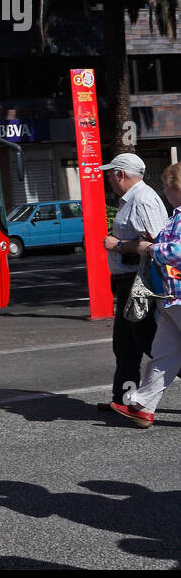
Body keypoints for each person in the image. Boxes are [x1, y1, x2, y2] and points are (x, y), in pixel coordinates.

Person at [99, 153, 170, 411]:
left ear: (121, 174)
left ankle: (127, 400)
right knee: (125, 345)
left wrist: (117, 245)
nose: (108, 179)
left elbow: (156, 245)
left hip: (139, 283)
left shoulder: (142, 200)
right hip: (129, 281)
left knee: (150, 343)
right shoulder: (131, 199)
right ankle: (122, 399)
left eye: (110, 174)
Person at [113, 163, 181, 427]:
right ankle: (142, 405)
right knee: (163, 354)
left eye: (165, 185)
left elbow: (177, 252)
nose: (163, 190)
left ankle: (143, 405)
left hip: (175, 297)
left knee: (164, 354)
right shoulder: (176, 215)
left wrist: (151, 248)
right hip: (170, 297)